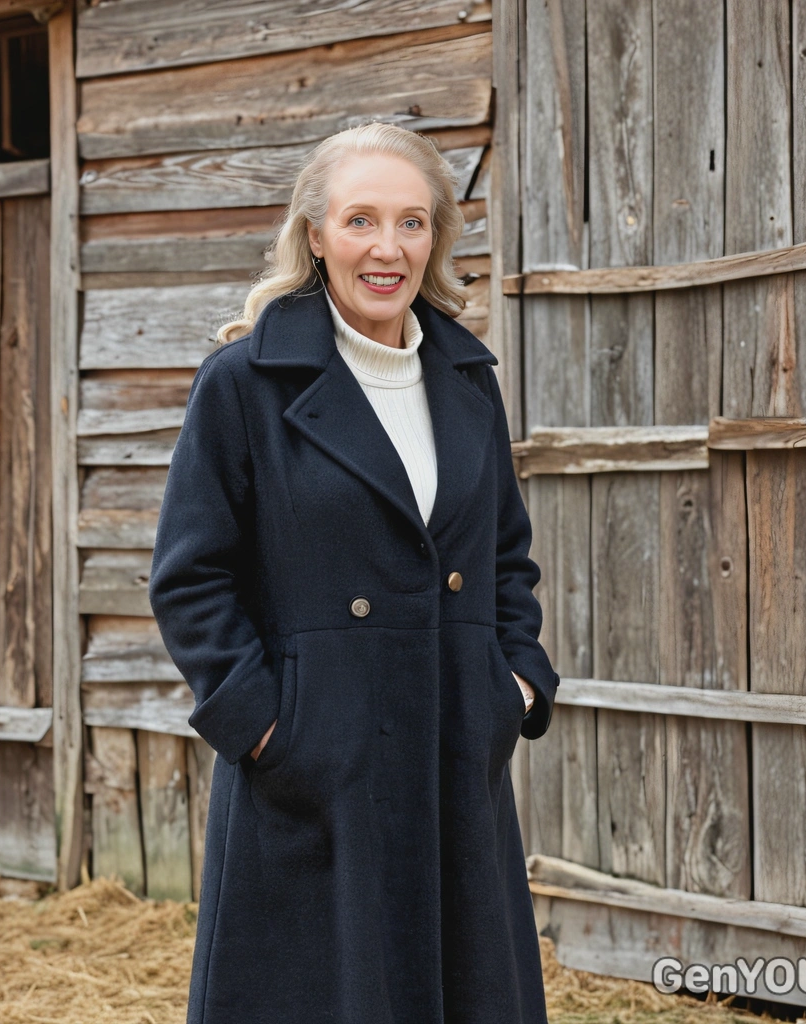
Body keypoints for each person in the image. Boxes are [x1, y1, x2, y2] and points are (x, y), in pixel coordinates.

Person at [148, 121, 560, 1024]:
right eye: (361, 219)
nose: (387, 248)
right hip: (314, 773)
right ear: (316, 234)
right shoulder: (244, 383)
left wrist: (516, 686)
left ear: (436, 239)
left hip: (455, 751)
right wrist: (270, 733)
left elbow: (504, 556)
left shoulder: (465, 379)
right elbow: (189, 579)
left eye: (412, 223)